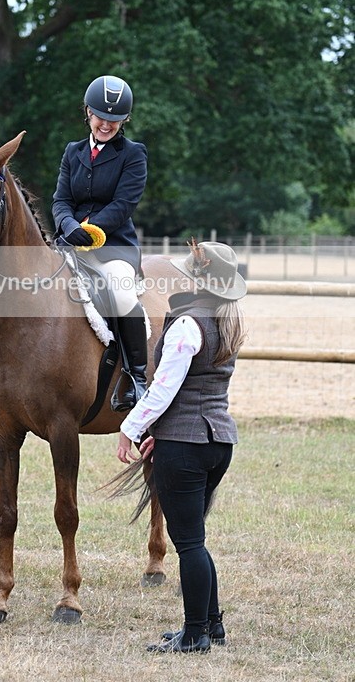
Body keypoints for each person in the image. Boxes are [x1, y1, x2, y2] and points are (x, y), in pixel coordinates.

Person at [116, 240, 247, 654]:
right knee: (196, 539)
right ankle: (211, 625)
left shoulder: (188, 325)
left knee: (188, 542)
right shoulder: (227, 321)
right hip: (217, 441)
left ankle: (194, 635)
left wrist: (131, 427)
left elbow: (162, 390)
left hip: (185, 446)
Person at [52, 74, 148, 411]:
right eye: (100, 116)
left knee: (121, 294)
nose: (105, 124)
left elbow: (123, 205)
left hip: (114, 248)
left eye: (114, 119)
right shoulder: (72, 151)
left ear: (124, 121)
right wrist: (67, 224)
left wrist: (88, 230)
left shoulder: (133, 155)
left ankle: (137, 376)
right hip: (68, 243)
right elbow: (60, 199)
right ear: (88, 113)